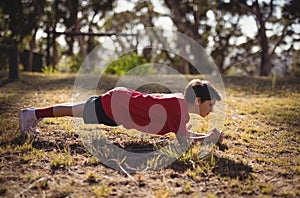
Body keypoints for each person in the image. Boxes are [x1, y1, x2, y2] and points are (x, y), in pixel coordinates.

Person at [19, 79, 223, 145]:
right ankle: (31, 114)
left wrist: (208, 137)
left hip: (118, 102)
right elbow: (184, 140)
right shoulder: (179, 108)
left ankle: (32, 114)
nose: (211, 109)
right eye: (210, 104)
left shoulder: (179, 104)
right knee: (73, 111)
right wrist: (209, 138)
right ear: (198, 100)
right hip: (115, 108)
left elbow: (183, 134)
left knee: (74, 110)